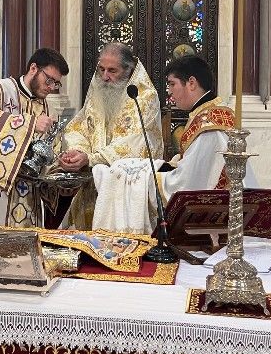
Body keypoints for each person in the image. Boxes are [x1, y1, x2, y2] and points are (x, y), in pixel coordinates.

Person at [90, 55, 256, 233]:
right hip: (228, 208)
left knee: (125, 175)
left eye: (172, 84)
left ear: (191, 83)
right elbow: (200, 167)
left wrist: (146, 179)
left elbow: (188, 185)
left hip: (221, 221)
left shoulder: (208, 125)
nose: (169, 91)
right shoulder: (214, 113)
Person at [0, 48, 69, 227]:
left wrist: (61, 166)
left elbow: (51, 154)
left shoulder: (49, 110)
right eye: (49, 80)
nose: (51, 87)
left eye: (56, 83)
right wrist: (29, 124)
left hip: (25, 199)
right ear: (33, 68)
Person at [59, 42, 163, 229]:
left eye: (112, 71)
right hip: (92, 185)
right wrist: (77, 151)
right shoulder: (98, 90)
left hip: (126, 191)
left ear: (128, 70)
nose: (105, 76)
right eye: (101, 69)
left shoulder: (144, 97)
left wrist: (91, 158)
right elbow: (81, 127)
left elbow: (135, 144)